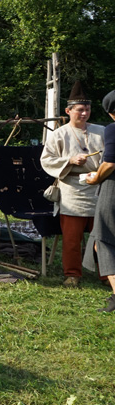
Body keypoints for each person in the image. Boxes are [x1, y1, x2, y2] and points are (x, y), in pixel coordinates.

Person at [40, 80, 105, 287]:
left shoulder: (102, 132)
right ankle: (72, 274)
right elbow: (46, 160)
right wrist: (70, 160)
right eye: (79, 110)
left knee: (104, 238)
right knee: (71, 240)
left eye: (87, 109)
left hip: (98, 189)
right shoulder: (59, 134)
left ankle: (107, 275)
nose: (84, 113)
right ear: (69, 111)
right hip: (72, 191)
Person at [85, 89, 115, 312]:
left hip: (113, 190)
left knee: (102, 240)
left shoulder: (112, 129)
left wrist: (94, 178)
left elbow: (111, 163)